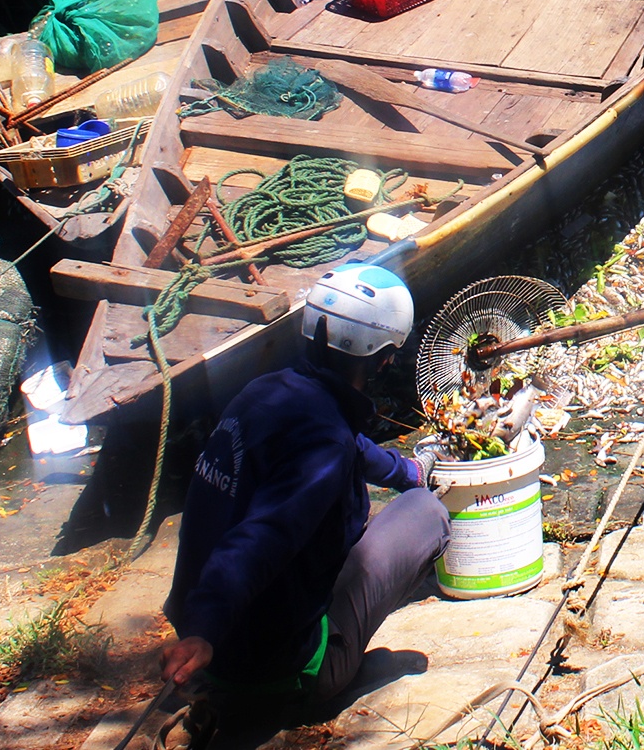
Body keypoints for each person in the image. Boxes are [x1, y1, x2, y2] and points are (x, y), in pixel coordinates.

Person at [157, 263, 451, 741]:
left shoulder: (266, 393)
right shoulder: (328, 443)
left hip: (220, 642)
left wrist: (407, 471)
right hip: (275, 674)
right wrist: (204, 632)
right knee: (426, 514)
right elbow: (259, 539)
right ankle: (323, 674)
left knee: (378, 502)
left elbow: (347, 446)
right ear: (383, 358)